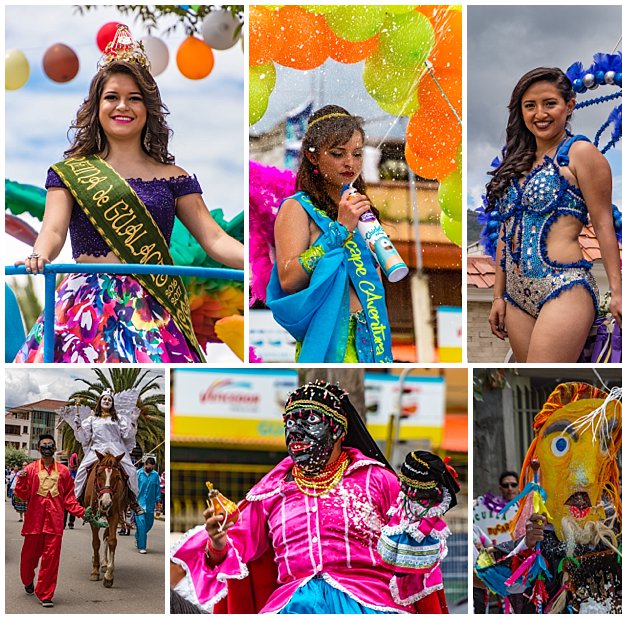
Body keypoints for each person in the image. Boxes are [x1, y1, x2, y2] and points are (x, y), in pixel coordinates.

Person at [14, 25, 243, 364]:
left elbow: (214, 239)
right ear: (97, 106)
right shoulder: (70, 172)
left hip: (152, 306)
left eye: (134, 98)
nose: (123, 106)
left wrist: (252, 263)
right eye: (112, 97)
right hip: (84, 308)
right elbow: (53, 230)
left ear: (148, 108)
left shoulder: (175, 177)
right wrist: (39, 255)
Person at [171, 381, 447, 613]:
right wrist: (217, 544)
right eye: (289, 422)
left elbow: (417, 549)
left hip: (371, 603)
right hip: (291, 605)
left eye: (310, 420)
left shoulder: (378, 480)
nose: (294, 430)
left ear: (339, 430)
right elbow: (234, 552)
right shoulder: (270, 493)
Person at [476, 383, 622, 613]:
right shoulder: (540, 539)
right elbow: (503, 583)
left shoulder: (621, 523)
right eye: (561, 446)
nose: (582, 480)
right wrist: (527, 544)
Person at [486, 67, 622, 362]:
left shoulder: (582, 154)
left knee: (545, 373)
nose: (540, 113)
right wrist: (498, 296)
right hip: (516, 297)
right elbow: (506, 231)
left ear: (569, 105)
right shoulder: (515, 163)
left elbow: (604, 225)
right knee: (530, 381)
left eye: (549, 103)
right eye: (530, 106)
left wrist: (617, 293)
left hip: (564, 287)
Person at [267, 105, 393, 363]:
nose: (350, 162)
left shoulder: (362, 210)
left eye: (357, 154)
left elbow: (374, 284)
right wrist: (339, 230)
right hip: (330, 340)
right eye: (338, 153)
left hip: (372, 337)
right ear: (313, 156)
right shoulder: (297, 208)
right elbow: (289, 279)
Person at [14, 434, 106, 608]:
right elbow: (23, 495)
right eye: (44, 445)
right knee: (28, 560)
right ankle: (27, 581)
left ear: (55, 448)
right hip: (34, 523)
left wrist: (84, 514)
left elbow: (69, 500)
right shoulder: (31, 470)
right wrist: (22, 480)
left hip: (54, 524)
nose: (47, 447)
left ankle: (45, 594)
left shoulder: (63, 472)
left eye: (50, 445)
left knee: (51, 561)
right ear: (39, 449)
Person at [377, 451, 460, 605]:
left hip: (419, 540)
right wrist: (394, 515)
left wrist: (421, 531)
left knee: (423, 586)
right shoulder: (405, 497)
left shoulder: (432, 505)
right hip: (401, 527)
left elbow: (430, 520)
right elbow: (399, 505)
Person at [62, 389, 143, 515]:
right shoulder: (92, 419)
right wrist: (78, 427)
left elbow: (127, 435)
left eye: (109, 400)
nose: (107, 401)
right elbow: (84, 438)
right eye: (104, 399)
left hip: (116, 449)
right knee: (82, 471)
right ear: (100, 402)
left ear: (112, 403)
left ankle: (133, 501)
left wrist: (133, 421)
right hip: (97, 449)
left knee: (131, 471)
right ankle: (76, 498)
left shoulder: (119, 418)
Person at [135, 456, 161, 554]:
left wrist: (158, 501)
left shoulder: (155, 475)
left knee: (149, 524)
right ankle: (142, 546)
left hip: (150, 504)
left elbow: (157, 489)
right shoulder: (138, 474)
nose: (150, 469)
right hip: (139, 503)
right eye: (148, 467)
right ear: (145, 465)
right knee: (141, 524)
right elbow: (134, 488)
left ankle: (138, 536)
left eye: (152, 468)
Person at [63, 453, 79, 529]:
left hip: (74, 493)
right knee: (65, 510)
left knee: (72, 509)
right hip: (66, 493)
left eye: (75, 467)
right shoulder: (67, 472)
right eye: (72, 467)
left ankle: (71, 522)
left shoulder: (78, 473)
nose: (73, 468)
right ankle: (63, 523)